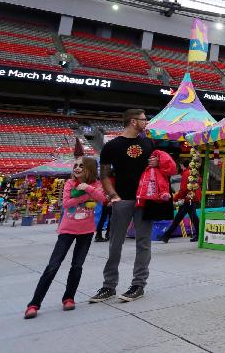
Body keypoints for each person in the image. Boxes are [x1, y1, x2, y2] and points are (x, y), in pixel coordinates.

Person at [89, 109, 159, 304]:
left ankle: (138, 285)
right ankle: (109, 286)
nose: (147, 122)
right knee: (115, 243)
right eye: (144, 119)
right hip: (122, 199)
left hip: (145, 199)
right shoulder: (111, 146)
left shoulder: (149, 143)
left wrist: (157, 162)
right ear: (133, 121)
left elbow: (159, 168)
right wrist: (113, 195)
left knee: (143, 243)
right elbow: (104, 175)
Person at [25, 156, 108, 319]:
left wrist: (88, 189)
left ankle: (69, 298)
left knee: (77, 266)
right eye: (75, 165)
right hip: (67, 230)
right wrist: (86, 196)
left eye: (81, 166)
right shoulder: (70, 184)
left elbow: (103, 199)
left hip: (86, 231)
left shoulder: (96, 185)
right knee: (53, 266)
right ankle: (34, 303)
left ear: (89, 169)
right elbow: (66, 204)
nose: (76, 168)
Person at [161, 159, 201, 243]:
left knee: (182, 217)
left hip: (188, 198)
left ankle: (166, 236)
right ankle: (166, 236)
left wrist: (175, 198)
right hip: (193, 197)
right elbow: (199, 181)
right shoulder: (193, 172)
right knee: (190, 217)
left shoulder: (185, 174)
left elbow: (183, 189)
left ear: (182, 165)